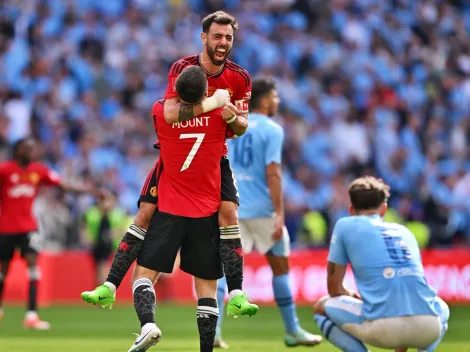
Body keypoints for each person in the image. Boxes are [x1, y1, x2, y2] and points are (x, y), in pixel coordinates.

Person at [81, 10, 257, 320]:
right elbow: (172, 112)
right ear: (204, 37)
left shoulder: (240, 77)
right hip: (176, 158)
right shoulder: (182, 69)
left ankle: (237, 293)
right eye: (217, 36)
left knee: (229, 213)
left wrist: (233, 119)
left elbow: (242, 126)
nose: (223, 42)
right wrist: (213, 104)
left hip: (213, 156)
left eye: (228, 37)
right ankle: (108, 285)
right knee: (146, 212)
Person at [128, 65, 236, 352]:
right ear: (205, 93)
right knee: (207, 289)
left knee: (143, 277)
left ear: (176, 91)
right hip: (206, 211)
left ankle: (148, 325)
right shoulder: (217, 116)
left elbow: (171, 113)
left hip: (171, 208)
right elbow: (237, 129)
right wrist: (221, 105)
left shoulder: (161, 113)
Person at [216, 77, 322, 348]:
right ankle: (292, 330)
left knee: (218, 271)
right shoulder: (272, 130)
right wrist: (279, 212)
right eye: (275, 97)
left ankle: (213, 332)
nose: (278, 101)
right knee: (280, 269)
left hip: (231, 207)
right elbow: (273, 172)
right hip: (263, 210)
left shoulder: (230, 124)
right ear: (264, 100)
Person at [313, 176, 449, 352]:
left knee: (321, 307)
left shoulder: (344, 225)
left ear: (351, 209)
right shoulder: (404, 231)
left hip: (382, 326)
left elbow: (334, 289)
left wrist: (352, 295)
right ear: (384, 209)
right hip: (428, 326)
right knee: (442, 308)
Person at [0, 137, 88, 329]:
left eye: (33, 148)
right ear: (18, 150)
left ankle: (31, 316)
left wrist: (87, 190)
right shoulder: (5, 170)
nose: (32, 152)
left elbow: (61, 184)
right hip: (6, 228)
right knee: (3, 270)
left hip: (28, 227)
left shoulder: (38, 170)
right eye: (28, 148)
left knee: (33, 266)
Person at [82, 188, 127, 287]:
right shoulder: (91, 213)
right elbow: (85, 228)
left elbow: (122, 229)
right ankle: (101, 295)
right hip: (96, 245)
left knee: (102, 270)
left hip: (110, 246)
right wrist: (87, 238)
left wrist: (112, 234)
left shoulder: (117, 213)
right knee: (99, 271)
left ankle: (102, 294)